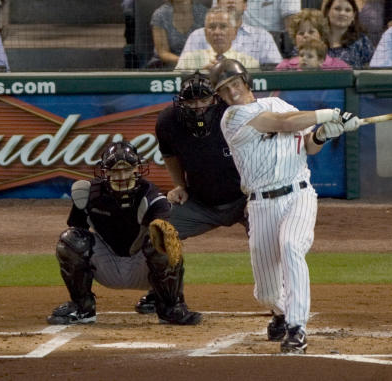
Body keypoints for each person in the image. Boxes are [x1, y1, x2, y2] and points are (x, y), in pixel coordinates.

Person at [209, 58, 361, 353]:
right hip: (260, 204)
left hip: (298, 194)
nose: (231, 91)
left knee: (292, 246)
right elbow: (281, 125)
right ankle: (279, 312)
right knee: (266, 292)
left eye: (234, 83)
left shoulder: (283, 105)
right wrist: (330, 114)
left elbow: (307, 145)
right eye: (224, 89)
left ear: (246, 80)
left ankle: (296, 328)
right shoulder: (232, 118)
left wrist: (325, 133)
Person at [47, 141, 202, 326]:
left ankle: (169, 306)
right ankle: (82, 308)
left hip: (143, 268)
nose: (121, 176)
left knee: (162, 238)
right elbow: (77, 230)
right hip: (107, 265)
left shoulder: (150, 195)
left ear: (137, 169)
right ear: (105, 172)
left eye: (127, 170)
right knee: (70, 241)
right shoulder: (88, 193)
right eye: (115, 170)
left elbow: (164, 229)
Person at [134, 71, 248, 314]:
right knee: (159, 231)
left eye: (203, 99)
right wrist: (181, 186)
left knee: (271, 236)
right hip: (201, 202)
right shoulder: (168, 121)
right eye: (191, 100)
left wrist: (256, 196)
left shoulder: (234, 115)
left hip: (244, 199)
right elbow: (169, 155)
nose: (197, 106)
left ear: (215, 98)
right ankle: (163, 294)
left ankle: (280, 300)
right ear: (181, 100)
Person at [181, 0, 283, 67]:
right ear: (217, 3)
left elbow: (274, 71)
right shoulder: (197, 36)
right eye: (212, 27)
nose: (231, 1)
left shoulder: (262, 37)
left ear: (245, 5)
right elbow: (179, 76)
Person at [175, 7, 260, 70]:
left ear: (234, 33)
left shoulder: (249, 63)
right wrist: (202, 75)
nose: (217, 32)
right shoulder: (188, 60)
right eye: (212, 27)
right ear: (205, 33)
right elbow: (175, 87)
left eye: (223, 27)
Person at [275, 8, 350, 70]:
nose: (306, 36)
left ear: (321, 36)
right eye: (301, 33)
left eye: (311, 32)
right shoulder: (284, 67)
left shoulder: (339, 67)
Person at [149, 0, 208, 68]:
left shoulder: (205, 14)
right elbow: (163, 53)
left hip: (200, 65)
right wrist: (187, 62)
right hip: (166, 66)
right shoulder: (160, 15)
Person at [322, 0, 374, 68]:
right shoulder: (318, 39)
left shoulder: (362, 41)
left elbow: (371, 70)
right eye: (337, 9)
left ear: (353, 16)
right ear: (328, 12)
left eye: (347, 10)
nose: (342, 13)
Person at [276, 37, 350, 69]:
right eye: (301, 55)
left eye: (310, 56)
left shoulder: (329, 75)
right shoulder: (288, 69)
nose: (304, 58)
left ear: (320, 61)